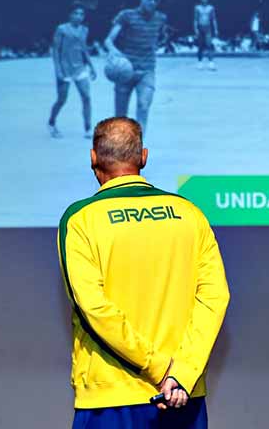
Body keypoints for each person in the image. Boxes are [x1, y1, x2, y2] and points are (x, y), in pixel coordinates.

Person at [58, 117, 230, 429]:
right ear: (143, 157)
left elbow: (93, 308)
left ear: (93, 157)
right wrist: (180, 373)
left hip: (111, 397)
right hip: (181, 394)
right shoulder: (190, 214)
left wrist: (159, 368)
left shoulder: (80, 219)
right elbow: (215, 297)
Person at [105, 0, 168, 137]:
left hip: (146, 71)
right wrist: (113, 51)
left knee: (143, 106)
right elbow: (109, 40)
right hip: (126, 69)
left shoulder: (160, 18)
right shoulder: (126, 16)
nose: (152, 3)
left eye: (156, 0)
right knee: (120, 117)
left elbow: (161, 38)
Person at [49, 2, 97, 139]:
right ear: (70, 15)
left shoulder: (84, 30)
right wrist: (58, 70)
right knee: (62, 99)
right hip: (64, 68)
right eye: (76, 13)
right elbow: (56, 51)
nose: (79, 16)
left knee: (86, 97)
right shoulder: (62, 29)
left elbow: (84, 49)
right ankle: (51, 123)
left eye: (81, 14)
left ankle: (88, 128)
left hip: (80, 68)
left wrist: (91, 66)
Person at [193, 0, 218, 71]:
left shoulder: (211, 8)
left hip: (208, 27)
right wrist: (195, 29)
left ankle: (211, 63)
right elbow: (195, 19)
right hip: (200, 27)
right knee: (200, 46)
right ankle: (200, 62)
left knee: (209, 44)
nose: (204, 0)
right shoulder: (197, 8)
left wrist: (216, 29)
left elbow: (213, 19)